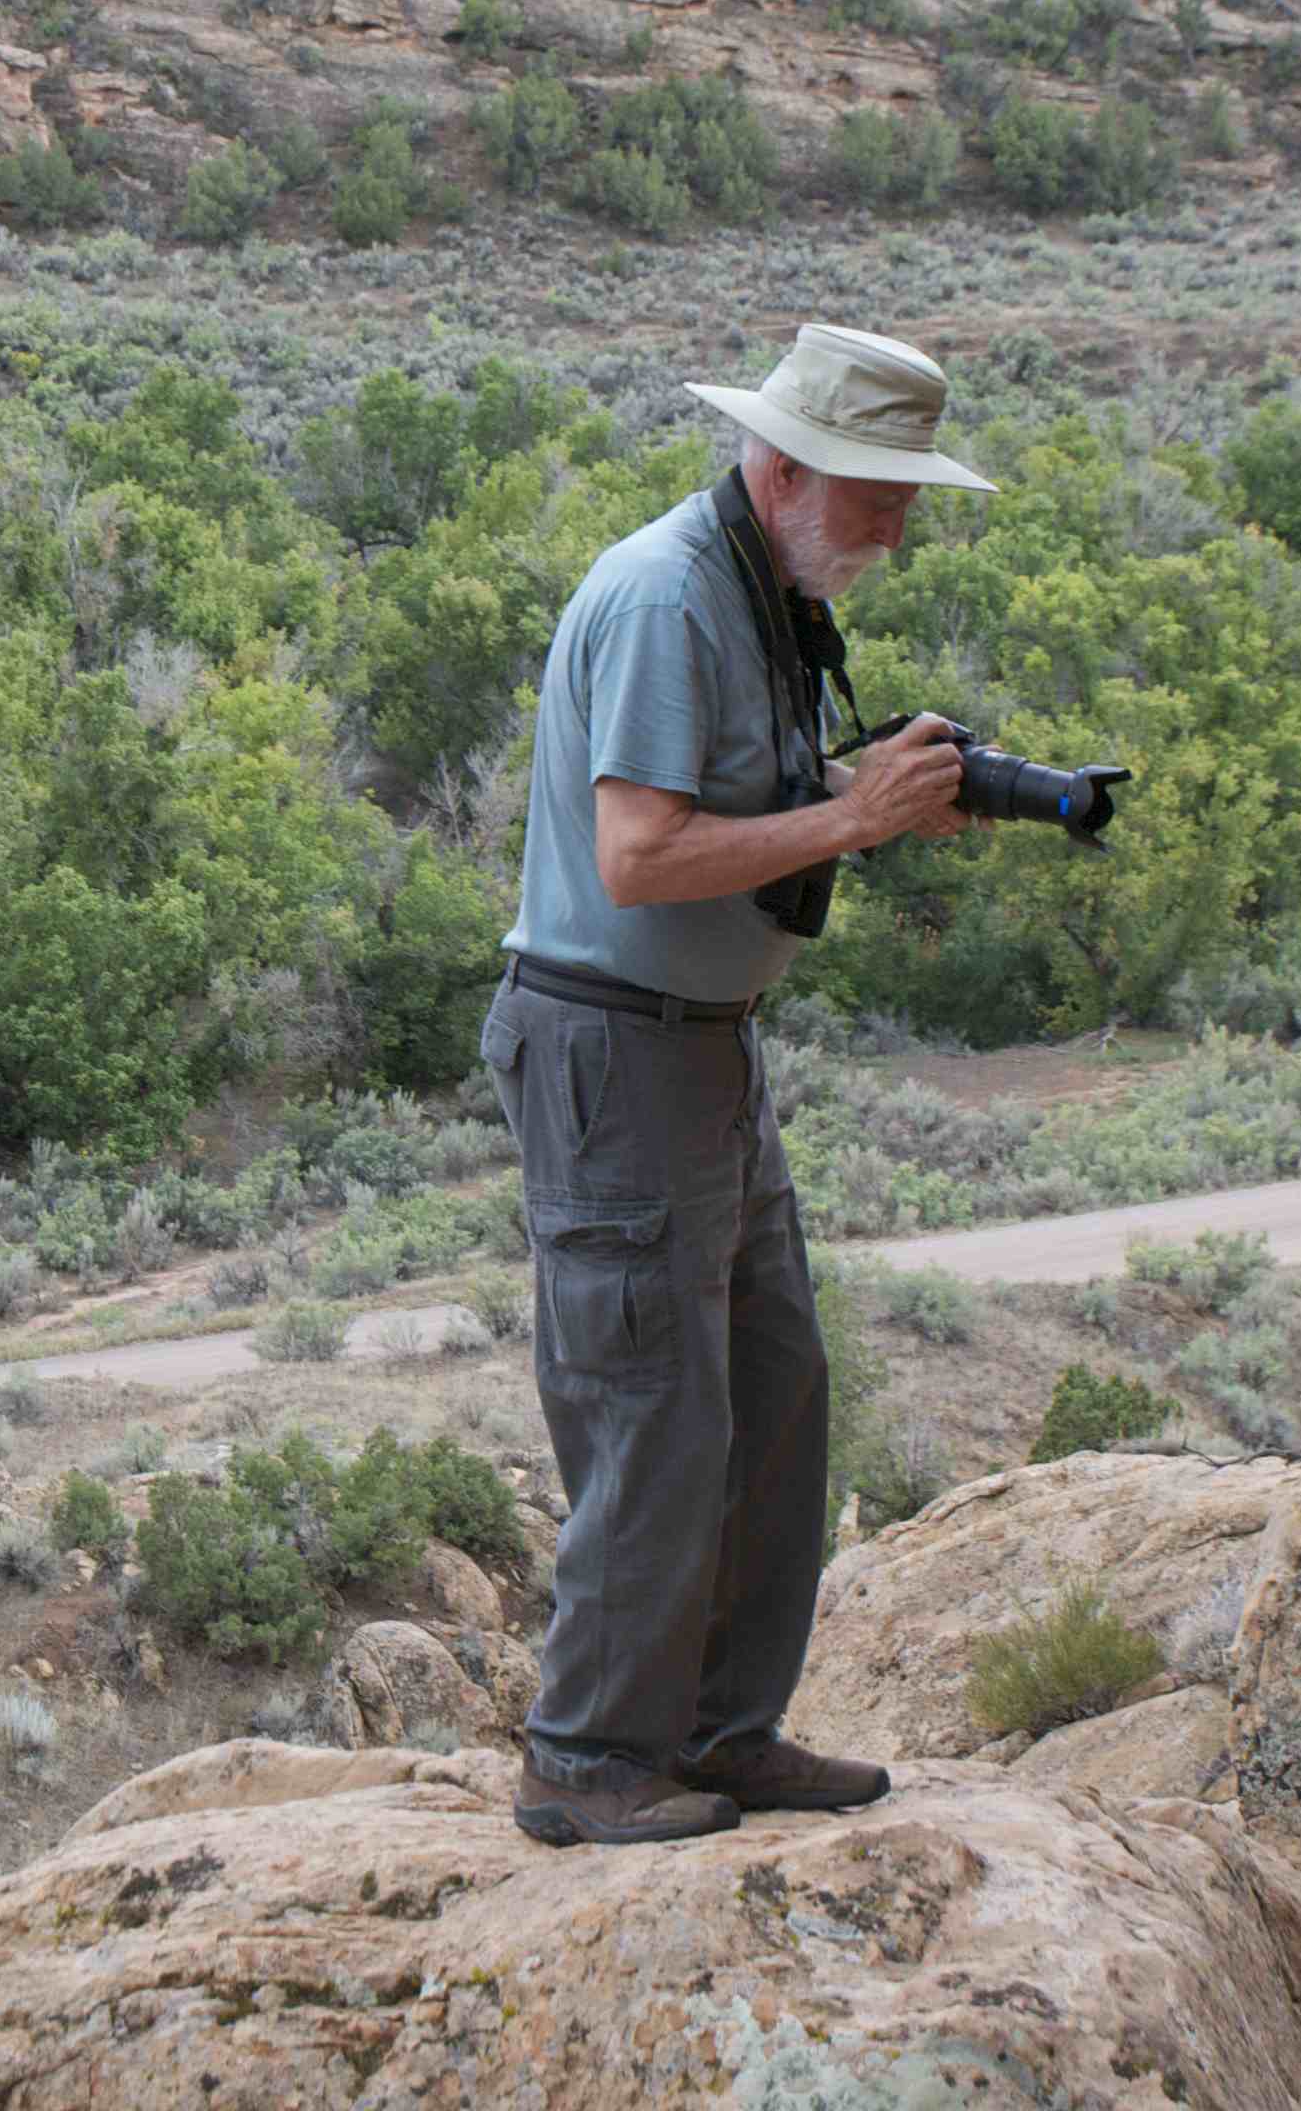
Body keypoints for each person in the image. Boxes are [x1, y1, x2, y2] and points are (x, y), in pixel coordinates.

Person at [485, 322, 994, 1847]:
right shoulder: (667, 597)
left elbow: (724, 800)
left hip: (702, 1047)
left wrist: (868, 791)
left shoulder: (760, 592)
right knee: (652, 1408)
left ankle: (718, 1732)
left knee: (772, 1389)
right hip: (618, 1047)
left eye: (905, 498)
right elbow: (639, 856)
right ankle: (586, 1761)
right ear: (783, 470)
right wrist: (851, 824)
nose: (896, 530)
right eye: (878, 496)